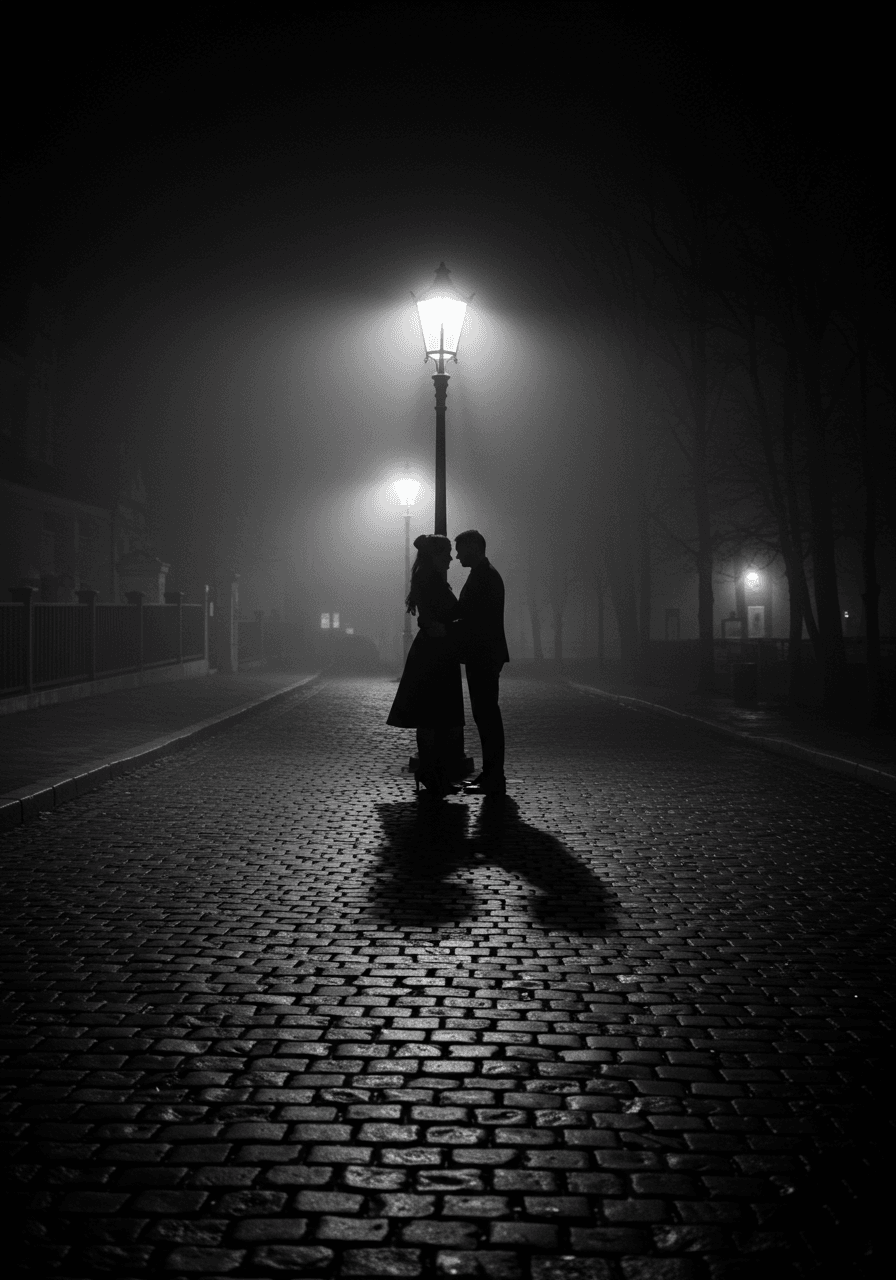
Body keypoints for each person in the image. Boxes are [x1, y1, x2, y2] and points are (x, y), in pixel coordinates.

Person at [387, 534, 465, 797]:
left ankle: (432, 773)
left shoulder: (427, 579)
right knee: (435, 716)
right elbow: (432, 622)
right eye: (446, 553)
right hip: (436, 655)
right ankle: (434, 774)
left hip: (432, 653)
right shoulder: (432, 583)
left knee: (432, 716)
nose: (451, 558)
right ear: (435, 556)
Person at [452, 529, 510, 796]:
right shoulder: (485, 575)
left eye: (460, 548)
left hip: (483, 653)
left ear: (474, 547)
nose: (457, 554)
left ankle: (494, 775)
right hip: (484, 653)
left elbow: (476, 618)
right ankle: (491, 773)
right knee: (486, 714)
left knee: (486, 715)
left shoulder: (484, 577)